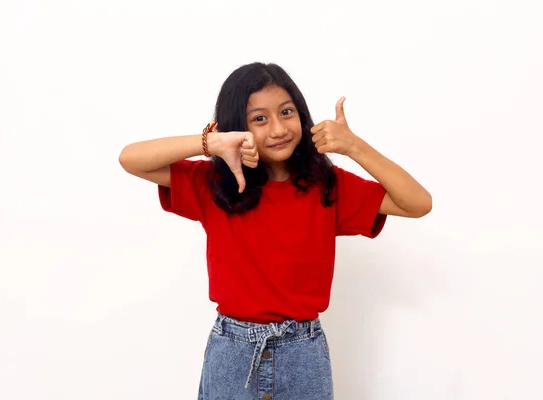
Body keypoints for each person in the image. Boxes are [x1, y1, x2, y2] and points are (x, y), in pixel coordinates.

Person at [118, 62, 432, 400]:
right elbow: (130, 158)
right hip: (232, 353)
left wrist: (354, 147)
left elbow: (418, 203)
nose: (278, 128)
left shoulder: (327, 187)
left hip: (304, 355)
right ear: (238, 127)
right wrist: (212, 142)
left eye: (286, 112)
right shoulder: (215, 185)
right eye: (259, 118)